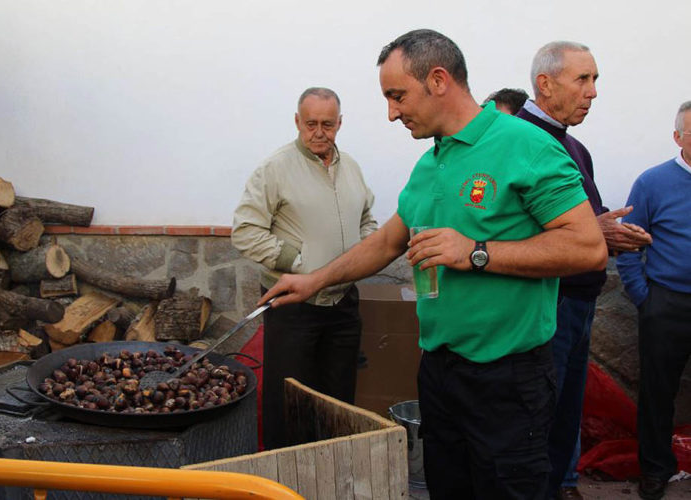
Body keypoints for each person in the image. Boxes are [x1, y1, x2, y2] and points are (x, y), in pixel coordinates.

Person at [261, 29, 608, 499]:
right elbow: (387, 241)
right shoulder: (430, 164)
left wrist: (477, 251)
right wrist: (313, 281)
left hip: (508, 378)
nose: (391, 113)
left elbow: (587, 248)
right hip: (440, 375)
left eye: (397, 96)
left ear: (439, 80)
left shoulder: (525, 145)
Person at [515, 41, 652, 500]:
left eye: (595, 80)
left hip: (579, 301)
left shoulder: (574, 145)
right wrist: (595, 233)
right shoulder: (517, 141)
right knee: (540, 414)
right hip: (545, 302)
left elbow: (583, 217)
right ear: (545, 83)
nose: (593, 92)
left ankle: (563, 483)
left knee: (567, 410)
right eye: (583, 79)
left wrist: (612, 230)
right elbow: (512, 230)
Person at [231, 87, 377, 450]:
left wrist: (362, 252)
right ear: (297, 121)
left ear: (340, 123)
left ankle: (333, 472)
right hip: (294, 306)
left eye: (328, 124)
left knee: (339, 400)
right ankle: (282, 480)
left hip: (343, 302)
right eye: (310, 123)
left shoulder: (352, 168)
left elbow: (368, 219)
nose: (319, 132)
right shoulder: (275, 168)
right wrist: (297, 261)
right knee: (288, 402)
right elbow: (245, 231)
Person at [616, 100, 691, 500]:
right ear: (678, 137)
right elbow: (627, 246)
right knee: (658, 393)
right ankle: (656, 470)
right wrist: (645, 298)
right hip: (667, 303)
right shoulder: (652, 182)